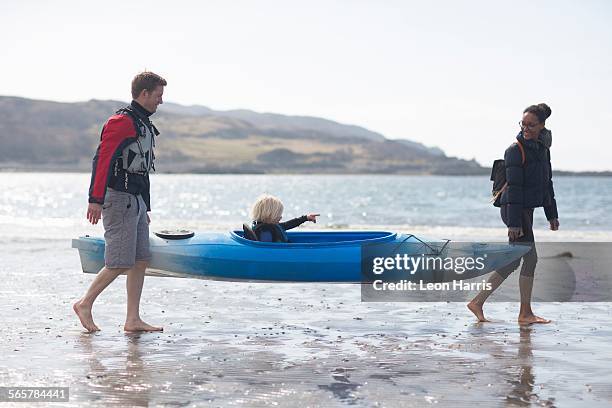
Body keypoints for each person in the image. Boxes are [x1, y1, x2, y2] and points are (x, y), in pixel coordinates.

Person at [73, 72, 167, 333]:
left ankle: (133, 319)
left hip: (135, 200)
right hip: (118, 199)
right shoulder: (122, 122)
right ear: (144, 93)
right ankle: (84, 303)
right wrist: (95, 199)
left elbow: (143, 170)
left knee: (140, 260)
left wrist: (145, 207)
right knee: (120, 261)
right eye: (158, 95)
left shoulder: (143, 124)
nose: (161, 101)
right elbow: (102, 160)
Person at [468, 103, 559, 325]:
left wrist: (551, 214)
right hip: (514, 210)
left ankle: (478, 302)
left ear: (542, 126)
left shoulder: (542, 149)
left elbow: (546, 183)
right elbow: (515, 189)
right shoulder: (514, 150)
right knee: (530, 258)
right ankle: (524, 314)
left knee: (514, 261)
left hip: (525, 210)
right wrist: (514, 224)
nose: (526, 128)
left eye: (531, 125)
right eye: (523, 124)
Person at [250, 194, 319, 242]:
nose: (280, 217)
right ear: (268, 215)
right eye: (278, 215)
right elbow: (267, 249)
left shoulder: (272, 226)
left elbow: (288, 224)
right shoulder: (265, 231)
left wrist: (305, 218)